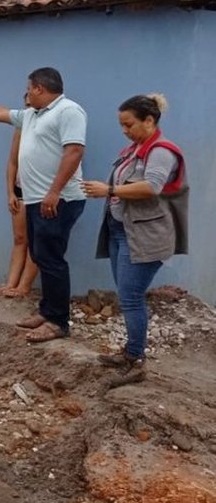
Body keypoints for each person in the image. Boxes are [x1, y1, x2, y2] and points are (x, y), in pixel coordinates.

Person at [0, 67, 86, 342]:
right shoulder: (31, 115)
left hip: (59, 200)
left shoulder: (69, 111)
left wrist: (54, 192)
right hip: (36, 199)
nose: (26, 94)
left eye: (29, 88)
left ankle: (58, 321)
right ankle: (47, 312)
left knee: (51, 258)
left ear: (39, 88)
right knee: (40, 255)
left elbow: (74, 152)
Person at [80, 94, 187, 386]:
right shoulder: (135, 148)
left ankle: (137, 360)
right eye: (122, 125)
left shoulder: (162, 152)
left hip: (143, 236)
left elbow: (152, 186)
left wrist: (109, 189)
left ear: (149, 121)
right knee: (128, 295)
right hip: (120, 230)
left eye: (129, 124)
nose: (124, 130)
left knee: (131, 298)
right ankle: (130, 352)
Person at [0, 94, 39, 298]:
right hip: (21, 191)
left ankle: (24, 287)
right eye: (25, 104)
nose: (28, 108)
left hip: (41, 192)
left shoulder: (54, 126)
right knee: (20, 238)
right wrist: (10, 192)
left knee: (37, 242)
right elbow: (12, 163)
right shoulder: (21, 127)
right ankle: (10, 284)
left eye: (32, 103)